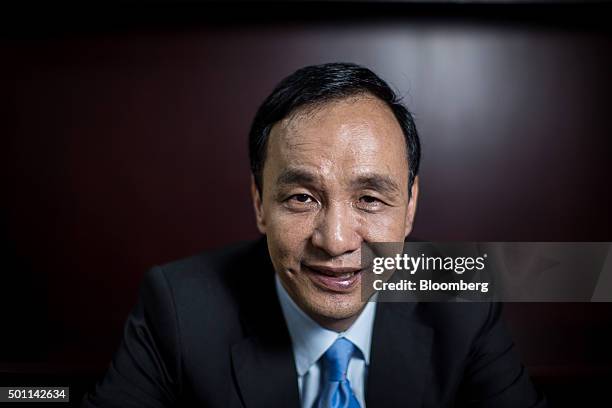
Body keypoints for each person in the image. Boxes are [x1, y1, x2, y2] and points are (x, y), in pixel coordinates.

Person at [82, 63, 546, 407]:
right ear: (260, 202)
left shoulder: (461, 292)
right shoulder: (178, 306)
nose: (336, 240)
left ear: (410, 207)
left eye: (369, 199)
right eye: (302, 198)